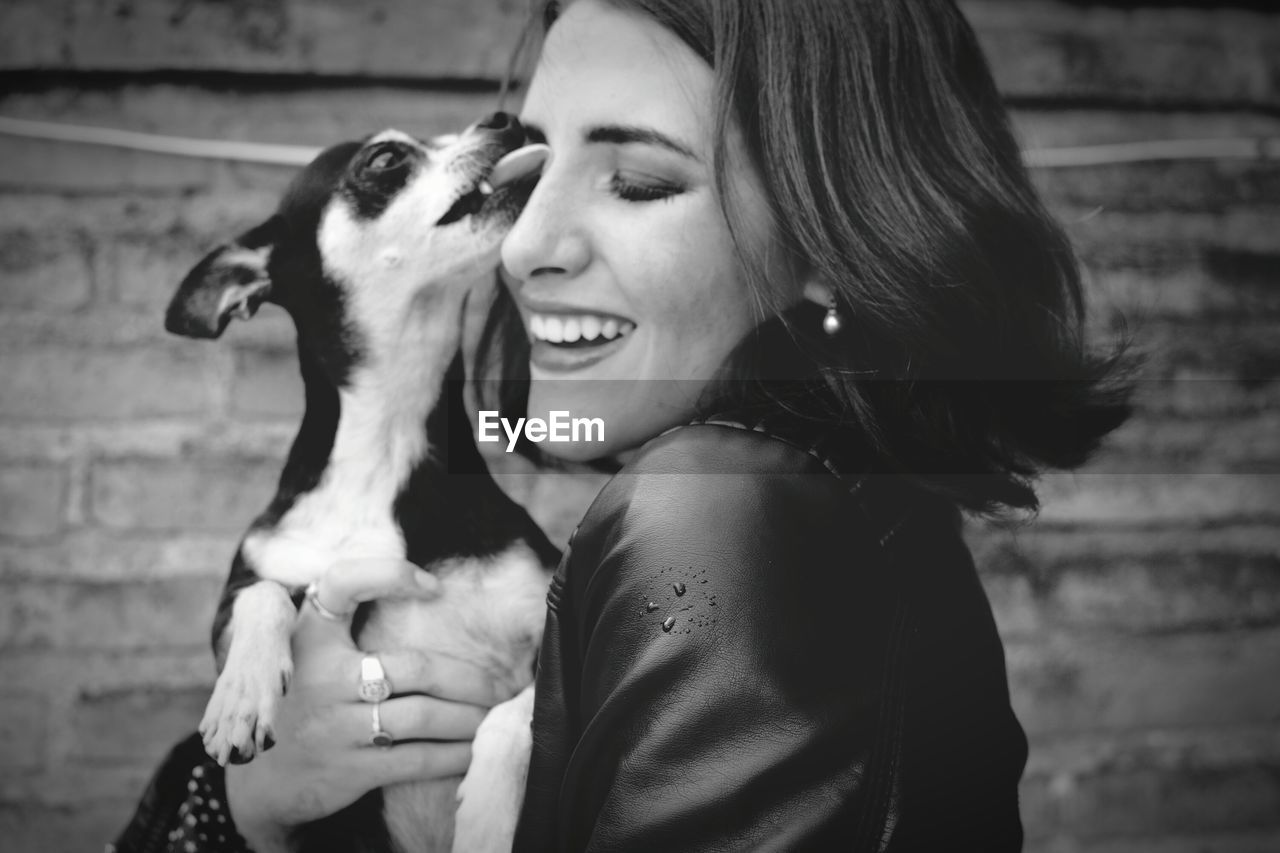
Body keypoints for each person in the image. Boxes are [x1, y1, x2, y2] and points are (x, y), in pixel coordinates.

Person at [113, 0, 1133, 850]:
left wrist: (223, 809)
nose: (522, 250)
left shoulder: (714, 511)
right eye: (533, 168)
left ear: (837, 235)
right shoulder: (851, 505)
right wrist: (251, 796)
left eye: (638, 181)